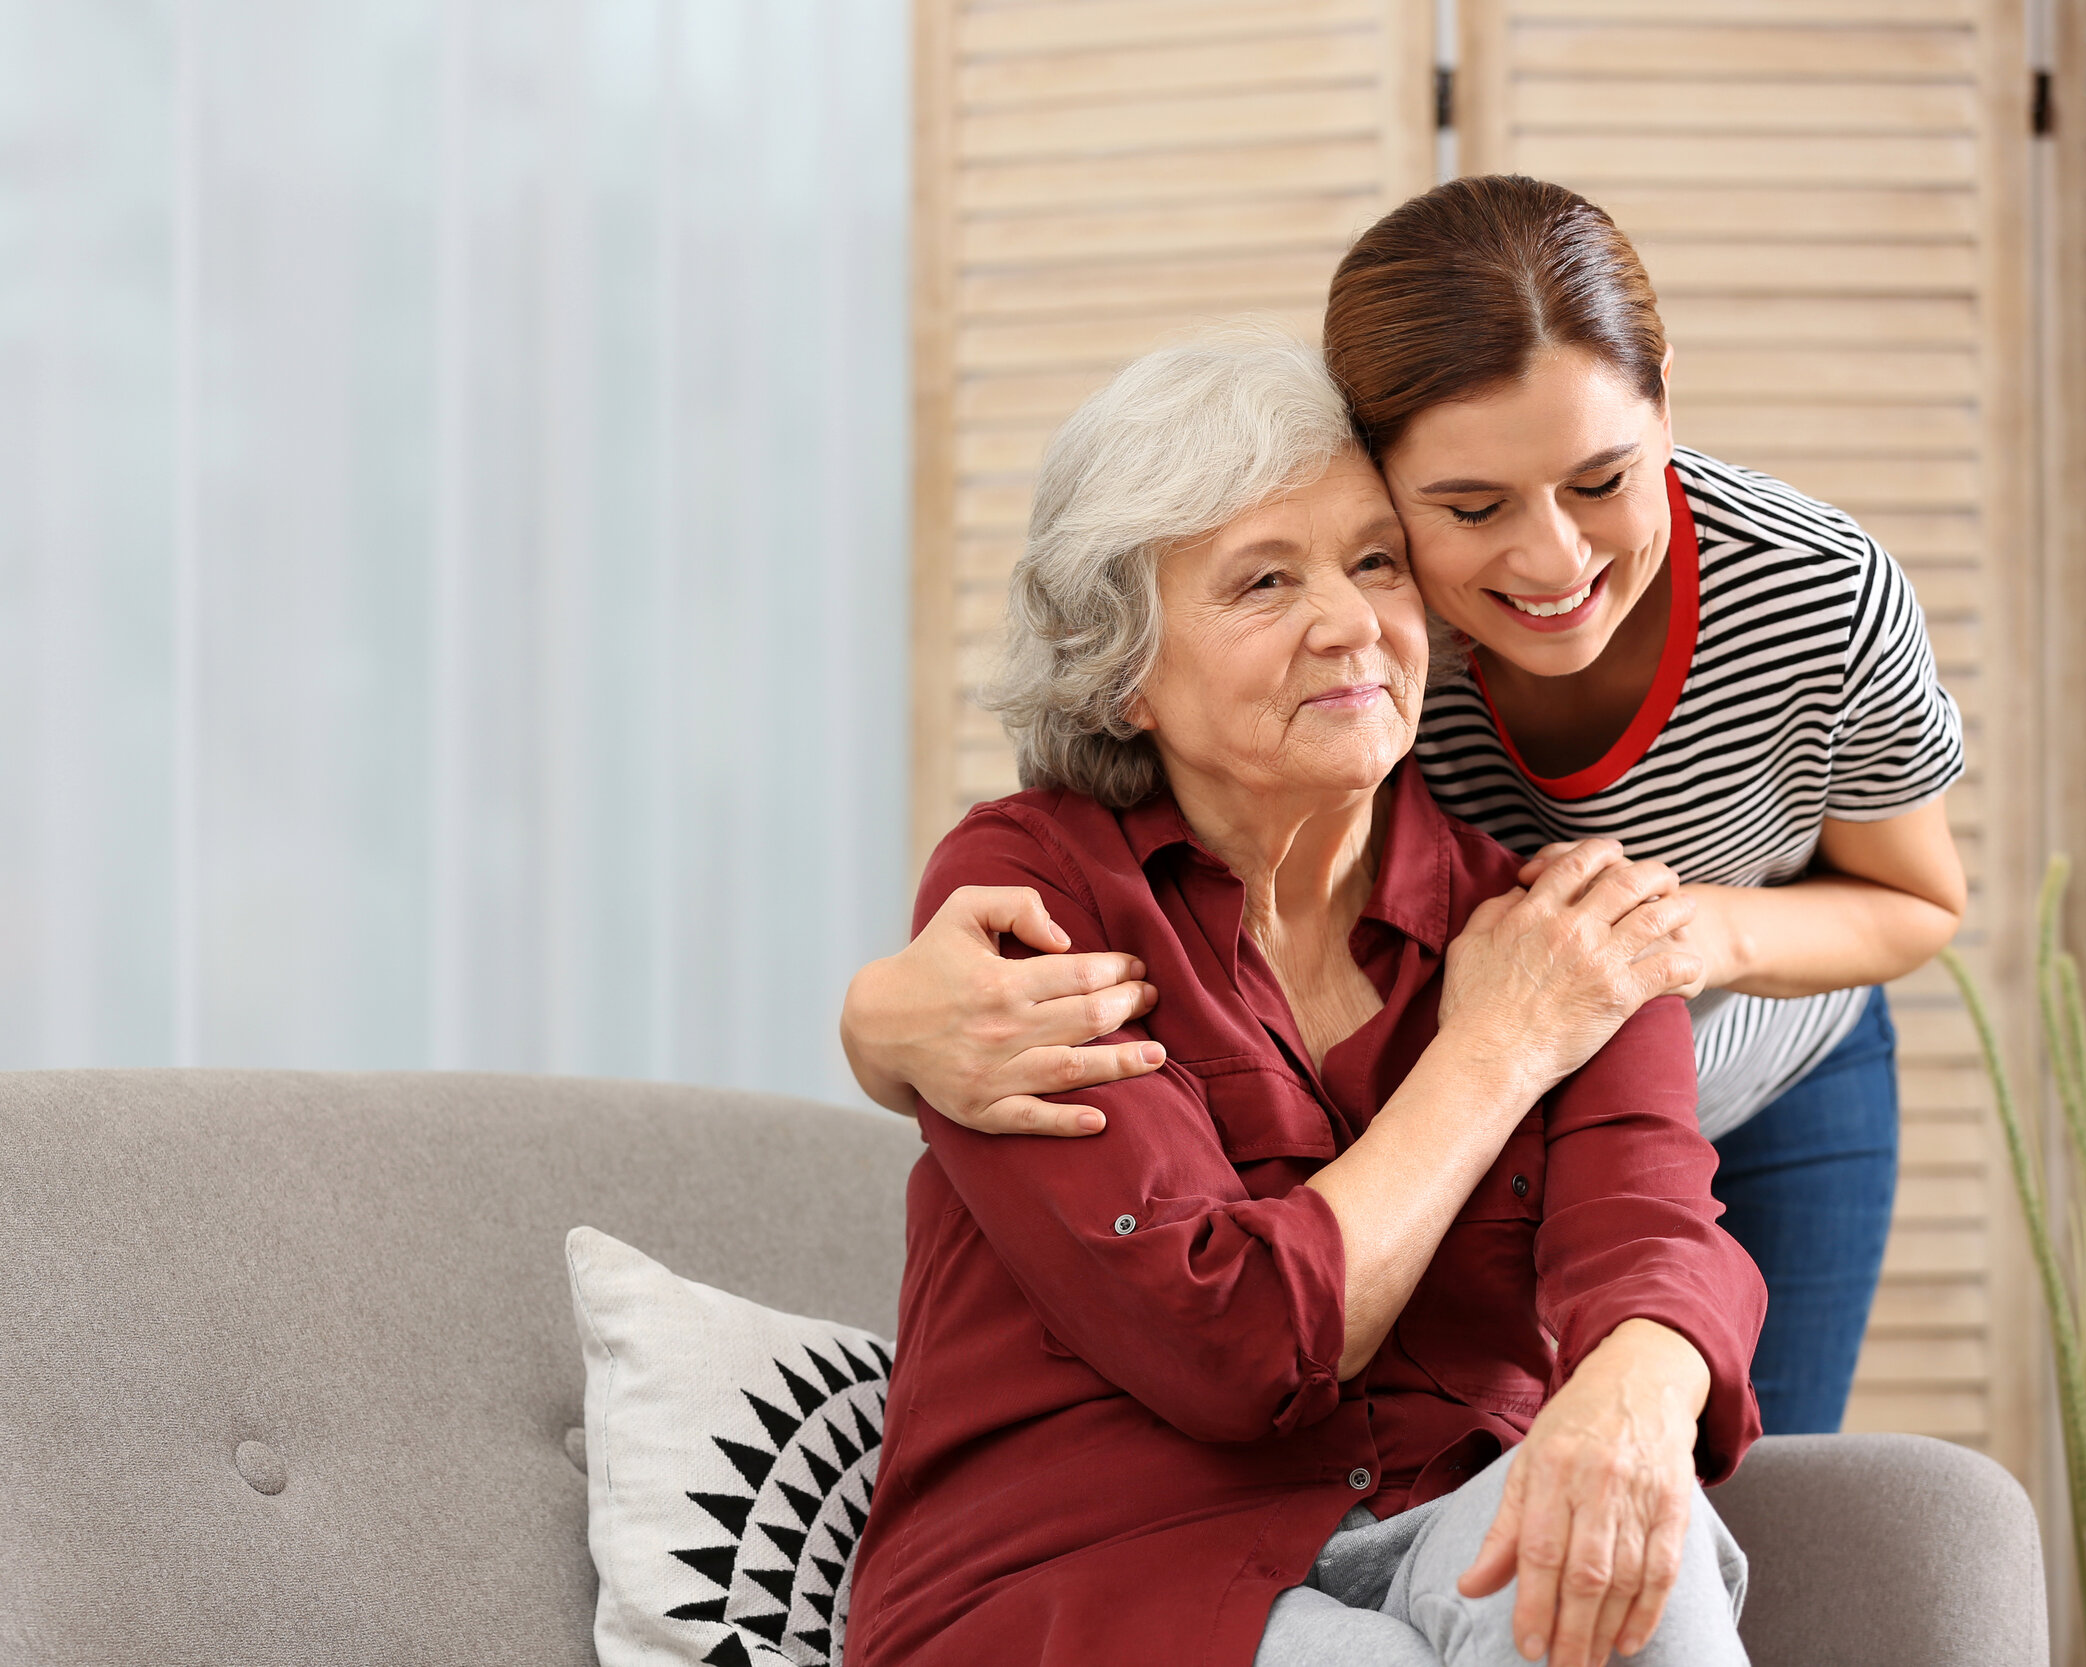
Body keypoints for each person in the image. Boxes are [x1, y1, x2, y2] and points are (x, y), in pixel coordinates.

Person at [840, 176, 1965, 1436]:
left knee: (1750, 1463)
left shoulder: (1815, 595)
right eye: (1471, 507)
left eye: (1602, 479)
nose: (1551, 564)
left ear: (1666, 406)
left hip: (1758, 1050)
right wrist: (874, 1023)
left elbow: (1918, 898)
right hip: (1515, 1047)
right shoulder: (1376, 630)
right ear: (1377, 472)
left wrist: (1686, 936)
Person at [843, 328, 1763, 1667]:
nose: (1350, 622)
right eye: (1264, 580)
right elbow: (1230, 1343)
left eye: (1375, 561)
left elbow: (1655, 1230)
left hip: (1447, 1505)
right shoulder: (1031, 893)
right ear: (1121, 669)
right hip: (1094, 1566)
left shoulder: (1553, 918)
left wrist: (1635, 1388)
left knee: (1626, 1554)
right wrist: (1495, 1048)